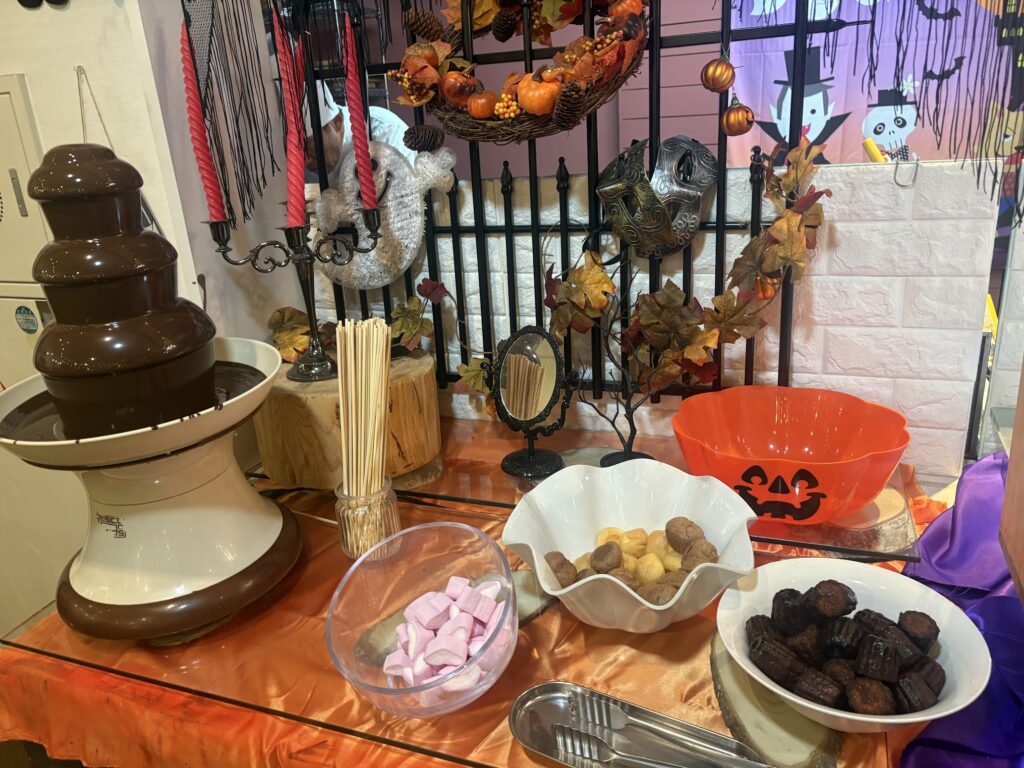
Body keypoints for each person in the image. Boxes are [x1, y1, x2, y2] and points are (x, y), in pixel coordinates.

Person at [303, 81, 416, 187]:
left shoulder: (384, 133)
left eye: (311, 147)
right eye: (300, 151)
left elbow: (401, 194)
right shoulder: (308, 166)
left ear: (336, 122)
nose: (306, 162)